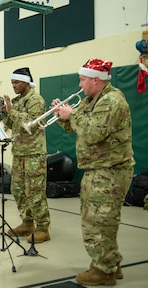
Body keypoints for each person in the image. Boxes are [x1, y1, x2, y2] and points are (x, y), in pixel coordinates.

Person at [53, 58, 134, 286]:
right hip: (99, 169)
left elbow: (93, 133)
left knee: (99, 221)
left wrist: (73, 115)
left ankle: (103, 271)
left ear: (96, 80)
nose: (80, 86)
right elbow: (75, 126)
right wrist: (61, 116)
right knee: (102, 220)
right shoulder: (92, 100)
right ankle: (111, 263)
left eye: (82, 80)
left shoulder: (112, 101)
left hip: (109, 171)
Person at [1, 67, 51, 243]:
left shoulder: (36, 100)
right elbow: (11, 124)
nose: (13, 85)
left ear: (26, 82)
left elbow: (29, 123)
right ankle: (27, 222)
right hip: (19, 152)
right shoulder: (17, 100)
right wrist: (4, 113)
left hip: (33, 153)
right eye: (12, 82)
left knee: (35, 192)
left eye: (17, 82)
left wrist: (11, 111)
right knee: (17, 189)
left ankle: (43, 228)